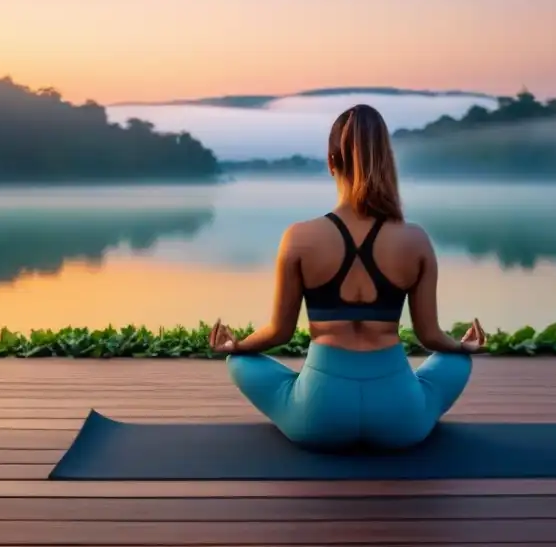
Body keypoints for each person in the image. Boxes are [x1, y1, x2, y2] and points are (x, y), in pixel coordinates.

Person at [208, 104, 487, 451]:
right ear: (387, 161)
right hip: (400, 418)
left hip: (318, 417)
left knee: (240, 362)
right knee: (455, 359)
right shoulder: (415, 240)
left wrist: (237, 346)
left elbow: (278, 332)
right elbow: (430, 336)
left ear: (331, 161)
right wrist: (463, 346)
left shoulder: (299, 237)